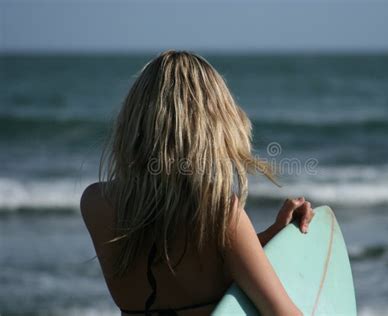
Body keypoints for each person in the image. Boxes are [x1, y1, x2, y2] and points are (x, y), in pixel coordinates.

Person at [80, 50, 315, 316]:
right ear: (213, 127)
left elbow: (181, 266)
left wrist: (270, 236)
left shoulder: (96, 204)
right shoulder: (219, 214)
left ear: (135, 119)